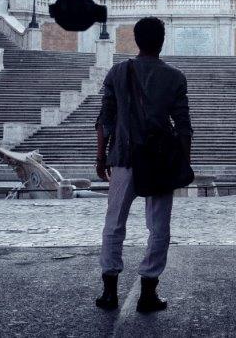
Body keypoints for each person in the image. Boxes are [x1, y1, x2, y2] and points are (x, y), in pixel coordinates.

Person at [94, 17, 192, 313]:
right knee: (159, 227)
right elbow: (184, 127)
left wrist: (101, 157)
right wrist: (183, 163)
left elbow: (105, 120)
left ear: (136, 40)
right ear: (162, 41)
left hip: (123, 157)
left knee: (114, 225)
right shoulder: (175, 77)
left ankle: (109, 291)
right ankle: (148, 292)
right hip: (160, 161)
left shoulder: (118, 72)